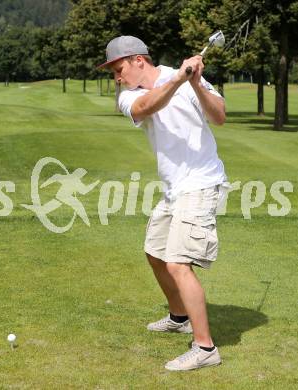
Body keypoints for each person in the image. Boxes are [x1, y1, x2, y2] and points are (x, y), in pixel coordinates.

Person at [98, 36, 229, 371]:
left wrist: (196, 83)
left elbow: (219, 116)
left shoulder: (185, 77)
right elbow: (147, 108)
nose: (116, 76)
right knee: (155, 252)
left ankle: (205, 348)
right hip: (174, 188)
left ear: (138, 60)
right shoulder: (130, 95)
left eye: (118, 68)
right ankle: (179, 316)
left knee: (177, 264)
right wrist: (180, 78)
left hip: (200, 182)